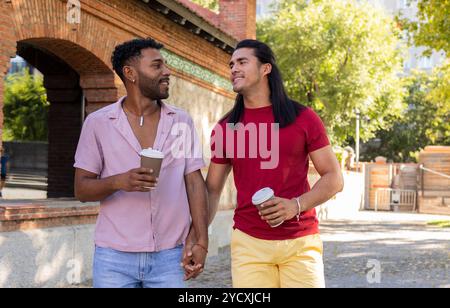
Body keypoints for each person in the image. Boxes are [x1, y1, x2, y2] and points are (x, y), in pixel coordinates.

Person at [185, 39, 344, 288]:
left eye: (242, 62)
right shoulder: (226, 128)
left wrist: (296, 205)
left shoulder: (303, 118)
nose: (233, 68)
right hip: (249, 244)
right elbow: (212, 190)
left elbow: (334, 178)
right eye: (231, 64)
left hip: (300, 242)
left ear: (265, 68)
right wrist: (198, 239)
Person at [74, 38, 208, 288]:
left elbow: (194, 183)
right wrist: (119, 181)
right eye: (157, 66)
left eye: (165, 65)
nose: (166, 72)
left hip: (171, 257)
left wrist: (202, 241)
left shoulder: (181, 122)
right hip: (113, 259)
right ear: (130, 73)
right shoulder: (98, 123)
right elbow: (81, 189)